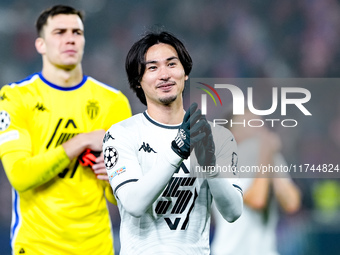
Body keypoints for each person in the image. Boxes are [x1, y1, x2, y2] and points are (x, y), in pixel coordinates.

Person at [0, 5, 131, 255]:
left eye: (77, 32)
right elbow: (20, 176)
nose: (70, 38)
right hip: (37, 246)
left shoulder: (113, 102)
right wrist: (79, 142)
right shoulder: (16, 97)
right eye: (59, 32)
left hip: (96, 246)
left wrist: (116, 173)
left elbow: (120, 198)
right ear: (40, 44)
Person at [102, 31, 243, 255]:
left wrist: (211, 168)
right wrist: (177, 151)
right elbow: (134, 204)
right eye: (152, 68)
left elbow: (233, 212)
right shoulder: (120, 135)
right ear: (138, 81)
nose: (164, 74)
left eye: (171, 64)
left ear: (185, 73)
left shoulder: (218, 136)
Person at [211, 110, 301, 255]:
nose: (259, 127)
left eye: (258, 121)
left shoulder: (269, 155)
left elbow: (291, 203)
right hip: (232, 251)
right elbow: (256, 200)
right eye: (249, 122)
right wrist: (265, 153)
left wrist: (269, 156)